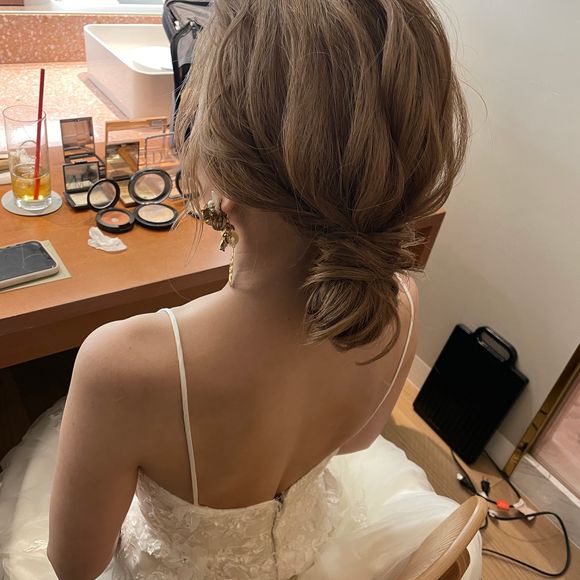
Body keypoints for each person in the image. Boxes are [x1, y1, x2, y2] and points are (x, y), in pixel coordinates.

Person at [0, 0, 469, 578]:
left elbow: (75, 564)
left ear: (221, 165)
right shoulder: (402, 301)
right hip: (309, 547)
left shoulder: (122, 364)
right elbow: (354, 444)